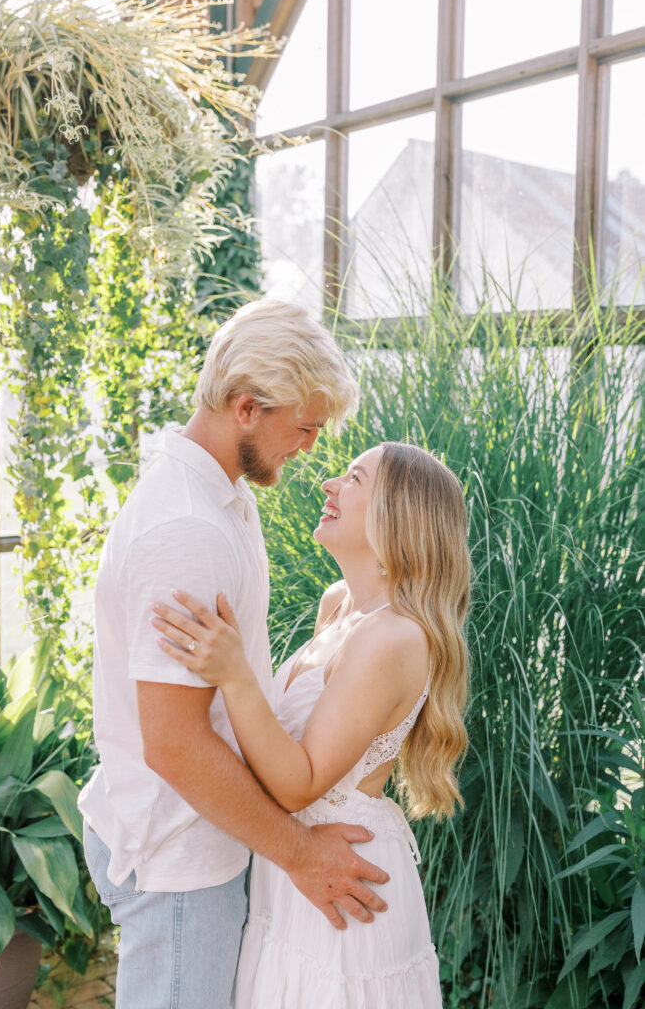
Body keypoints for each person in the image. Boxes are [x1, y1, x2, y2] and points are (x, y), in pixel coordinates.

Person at [77, 299, 391, 1009]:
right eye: (304, 427)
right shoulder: (187, 527)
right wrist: (302, 854)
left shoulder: (217, 497)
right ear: (246, 407)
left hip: (200, 839)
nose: (310, 447)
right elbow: (175, 744)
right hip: (179, 859)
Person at [151, 441, 471, 1008]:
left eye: (353, 479)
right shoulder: (339, 605)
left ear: (398, 515)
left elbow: (301, 781)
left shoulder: (394, 637)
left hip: (343, 877)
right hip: (299, 866)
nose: (328, 484)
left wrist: (235, 674)